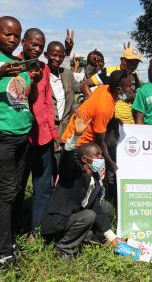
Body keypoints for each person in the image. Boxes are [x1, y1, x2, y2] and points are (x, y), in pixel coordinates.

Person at [41, 114, 120, 262]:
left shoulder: (95, 178)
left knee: (105, 207)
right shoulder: (73, 173)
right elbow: (66, 162)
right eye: (97, 155)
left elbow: (97, 209)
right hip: (58, 223)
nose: (101, 157)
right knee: (89, 215)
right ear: (85, 159)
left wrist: (112, 238)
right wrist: (76, 136)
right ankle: (64, 249)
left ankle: (93, 237)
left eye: (101, 154)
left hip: (74, 218)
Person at [0, 16, 37, 269]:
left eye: (16, 35)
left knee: (17, 191)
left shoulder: (20, 63)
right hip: (3, 136)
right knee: (5, 194)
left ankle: (11, 241)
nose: (12, 40)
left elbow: (27, 96)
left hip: (23, 135)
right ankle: (3, 253)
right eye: (7, 34)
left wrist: (32, 77)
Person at [18, 28, 61, 234]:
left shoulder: (44, 68)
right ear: (23, 42)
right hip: (22, 136)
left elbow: (46, 103)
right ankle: (14, 229)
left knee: (42, 187)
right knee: (16, 187)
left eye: (40, 46)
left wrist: (53, 133)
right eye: (33, 44)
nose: (36, 49)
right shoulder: (12, 66)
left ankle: (37, 230)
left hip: (43, 137)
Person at [62, 70, 132, 176]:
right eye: (129, 86)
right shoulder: (104, 108)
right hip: (80, 148)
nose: (131, 89)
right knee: (80, 183)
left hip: (71, 139)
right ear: (118, 90)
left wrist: (113, 120)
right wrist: (110, 162)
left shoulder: (104, 89)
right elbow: (100, 140)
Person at [81, 44, 141, 125]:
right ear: (122, 60)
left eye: (136, 63)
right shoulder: (108, 72)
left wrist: (133, 97)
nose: (133, 66)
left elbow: (128, 99)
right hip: (109, 121)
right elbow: (85, 85)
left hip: (129, 122)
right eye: (130, 62)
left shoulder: (134, 77)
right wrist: (94, 104)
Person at [45, 41, 81, 145]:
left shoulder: (67, 74)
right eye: (54, 55)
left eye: (60, 56)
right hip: (46, 129)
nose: (57, 59)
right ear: (46, 55)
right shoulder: (40, 74)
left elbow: (80, 87)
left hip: (64, 129)